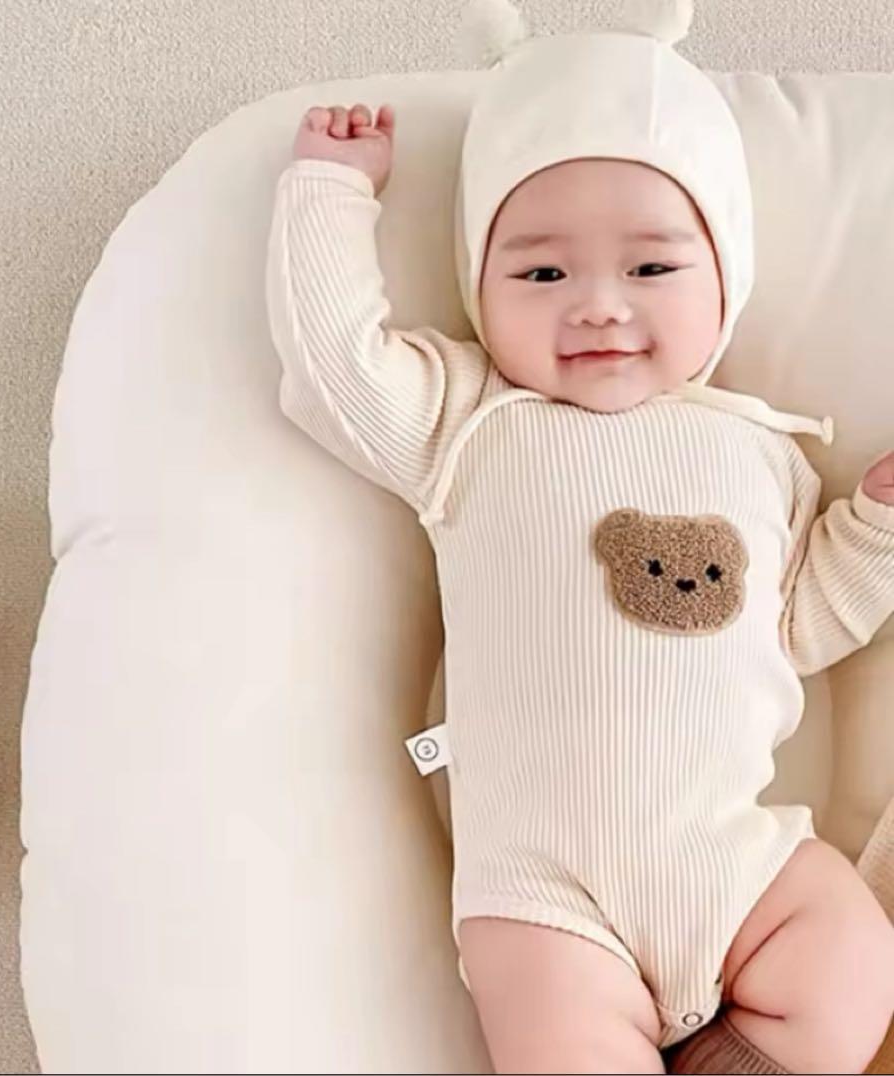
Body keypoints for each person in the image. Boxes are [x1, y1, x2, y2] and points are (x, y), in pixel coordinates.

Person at [264, 1, 894, 1070]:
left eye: (651, 270)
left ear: (725, 278)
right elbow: (335, 367)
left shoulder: (762, 450)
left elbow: (796, 626)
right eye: (542, 274)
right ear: (479, 284)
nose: (599, 306)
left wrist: (874, 528)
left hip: (736, 860)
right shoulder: (468, 420)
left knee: (854, 958)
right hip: (544, 899)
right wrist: (328, 193)